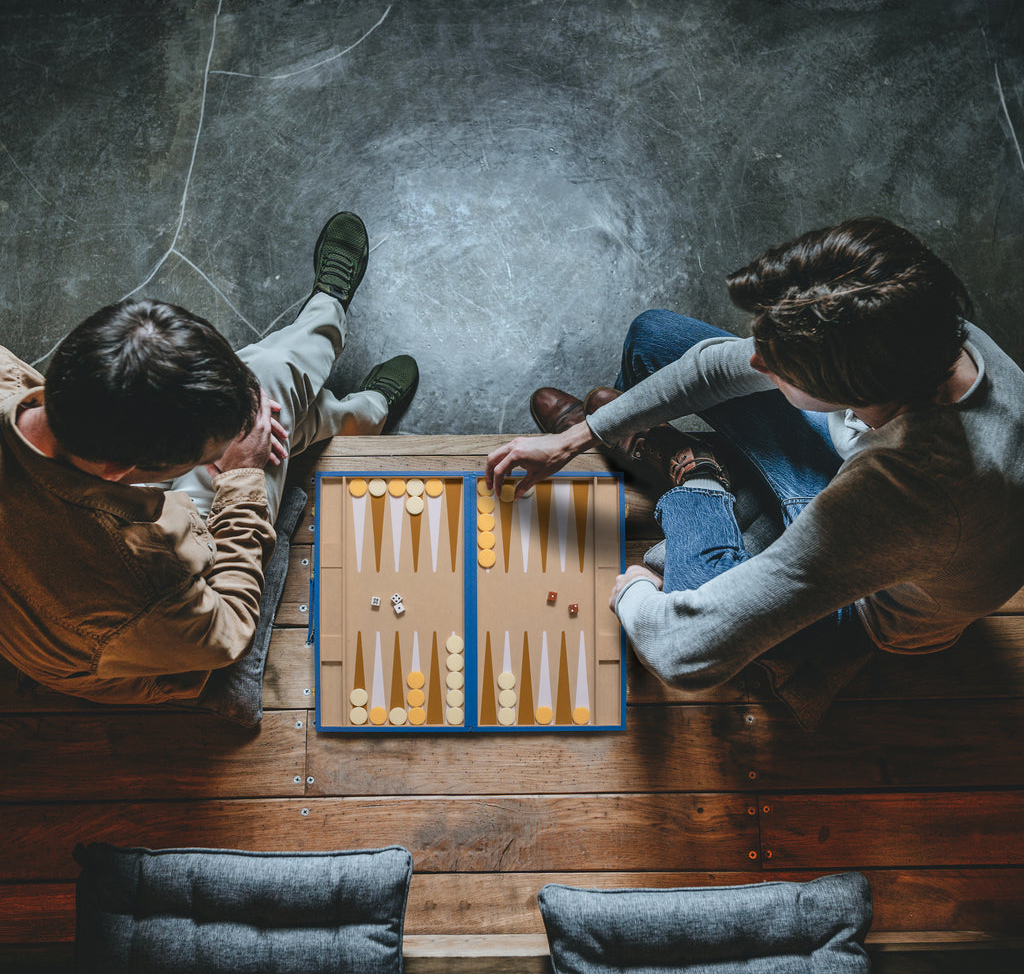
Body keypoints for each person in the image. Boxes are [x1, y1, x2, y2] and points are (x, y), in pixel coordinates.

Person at [486, 217, 1024, 726]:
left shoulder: (904, 494)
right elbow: (714, 366)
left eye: (777, 364)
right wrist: (575, 438)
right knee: (653, 337)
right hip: (871, 485)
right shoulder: (920, 330)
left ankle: (698, 474)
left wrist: (631, 594)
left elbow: (686, 652)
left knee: (688, 590)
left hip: (865, 608)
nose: (756, 363)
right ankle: (671, 455)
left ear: (846, 393)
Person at [0, 211, 418, 706]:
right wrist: (241, 473)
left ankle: (349, 395)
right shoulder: (142, 584)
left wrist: (235, 436)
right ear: (125, 475)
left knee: (267, 402)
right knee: (272, 382)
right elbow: (229, 631)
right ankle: (347, 371)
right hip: (136, 653)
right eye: (209, 454)